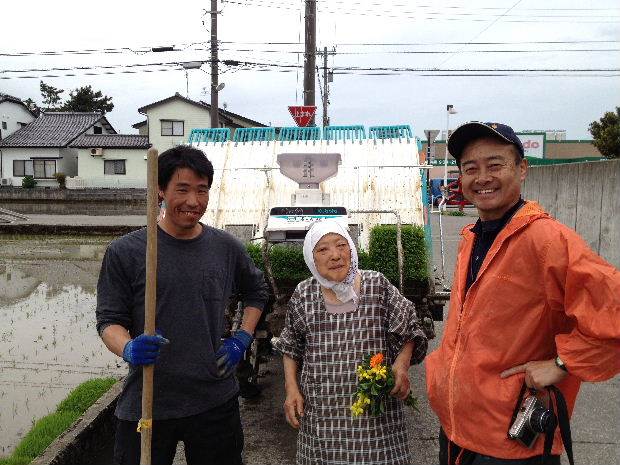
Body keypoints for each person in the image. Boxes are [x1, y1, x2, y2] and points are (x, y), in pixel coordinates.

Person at [425, 121, 620, 465]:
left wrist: (563, 364)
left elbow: (613, 307)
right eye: (471, 168)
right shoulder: (472, 236)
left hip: (510, 441)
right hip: (458, 429)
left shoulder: (547, 240)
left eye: (495, 165)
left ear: (522, 168)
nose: (482, 177)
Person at [96, 145, 269, 465]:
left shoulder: (225, 247)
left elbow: (257, 292)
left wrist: (242, 338)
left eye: (202, 190)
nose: (194, 201)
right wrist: (129, 348)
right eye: (183, 189)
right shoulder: (127, 251)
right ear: (160, 190)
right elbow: (109, 320)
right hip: (148, 399)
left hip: (214, 399)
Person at [273, 219, 428, 465]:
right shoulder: (304, 294)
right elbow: (290, 346)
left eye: (341, 245)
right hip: (323, 413)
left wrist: (402, 364)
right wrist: (291, 389)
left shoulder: (377, 285)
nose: (335, 255)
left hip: (376, 416)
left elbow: (410, 326)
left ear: (352, 250)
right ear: (311, 258)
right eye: (323, 249)